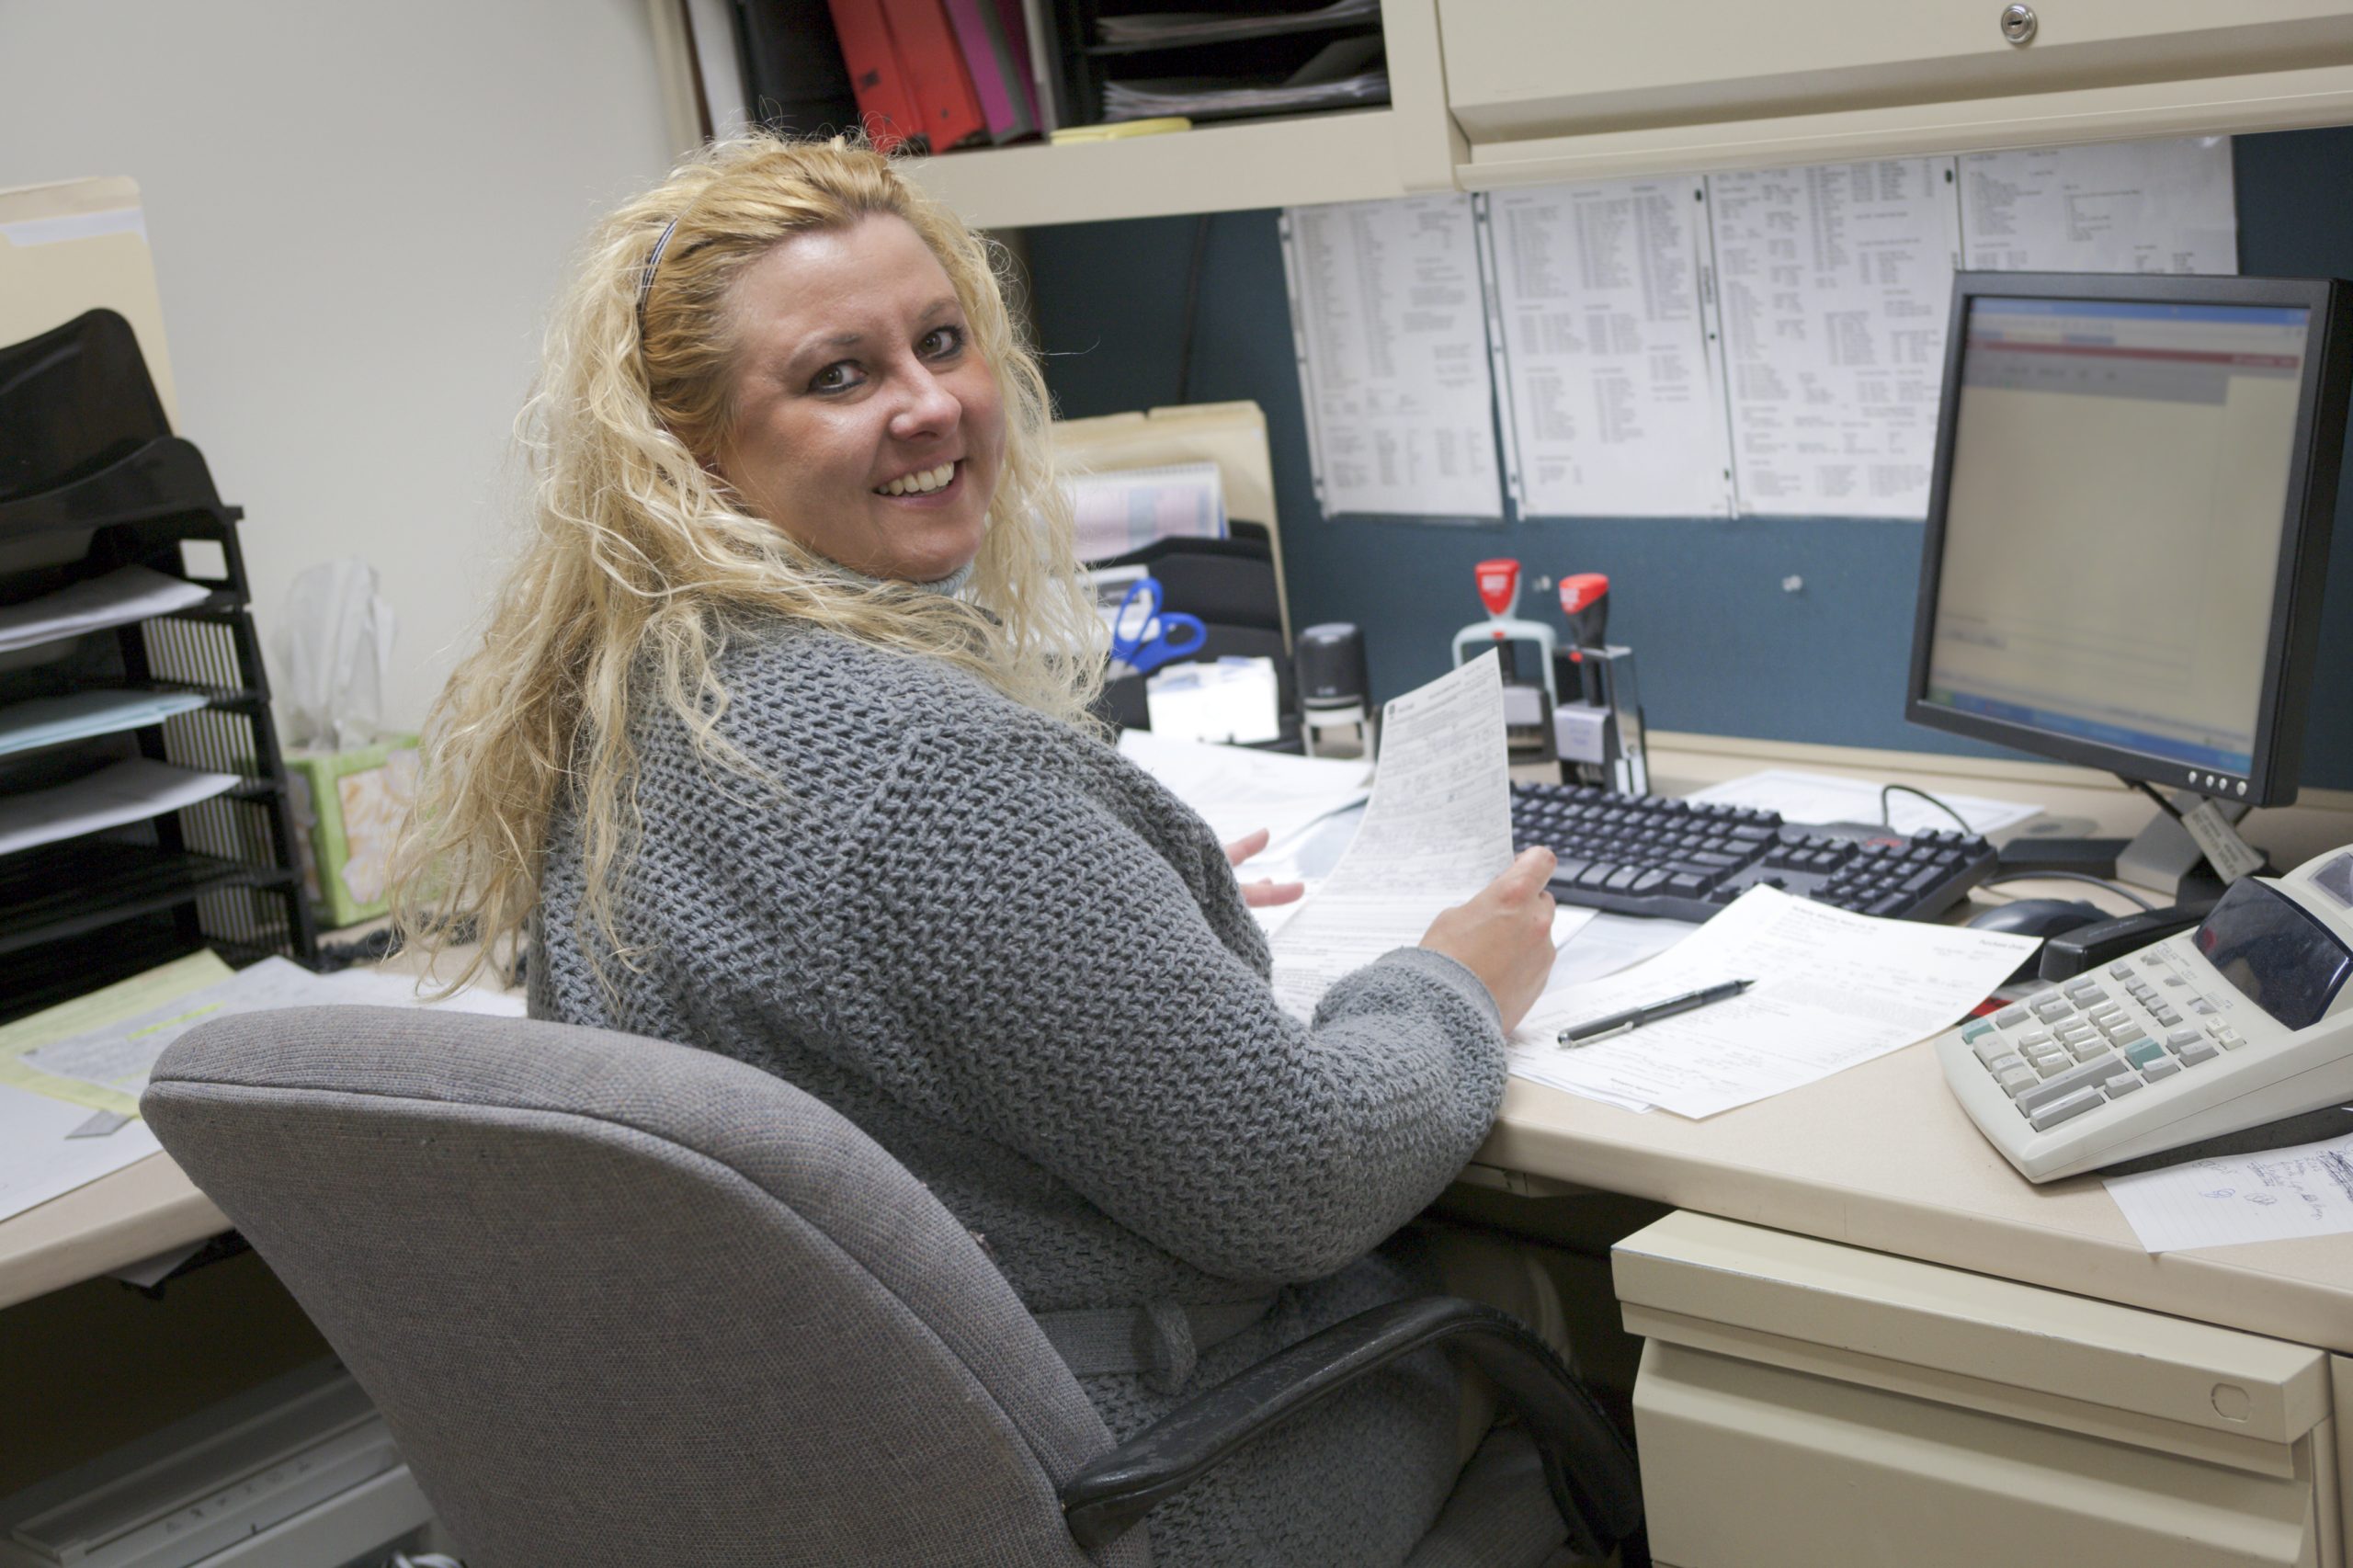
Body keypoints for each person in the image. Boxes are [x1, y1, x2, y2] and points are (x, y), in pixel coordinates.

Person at [392, 133, 1564, 1565]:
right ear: (690, 444)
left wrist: (1107, 914)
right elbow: (1299, 1170)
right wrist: (1449, 982)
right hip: (1135, 1481)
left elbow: (876, 983)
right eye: (840, 374)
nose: (931, 403)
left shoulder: (645, 708)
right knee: (1573, 1327)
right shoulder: (920, 771)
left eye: (943, 340)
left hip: (840, 1483)